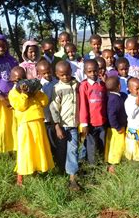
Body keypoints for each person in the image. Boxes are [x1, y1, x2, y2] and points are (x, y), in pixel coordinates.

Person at [9, 75, 54, 186]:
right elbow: (21, 107)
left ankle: (36, 170)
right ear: (14, 81)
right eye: (18, 80)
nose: (24, 84)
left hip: (38, 123)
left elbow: (44, 102)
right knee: (25, 150)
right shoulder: (13, 93)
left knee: (38, 149)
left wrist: (36, 92)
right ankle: (20, 178)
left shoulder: (33, 91)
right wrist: (24, 94)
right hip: (25, 125)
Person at [50, 61, 81, 190]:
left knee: (73, 150)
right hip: (62, 126)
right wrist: (57, 126)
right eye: (62, 75)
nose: (65, 77)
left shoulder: (76, 85)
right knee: (61, 150)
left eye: (67, 74)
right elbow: (54, 108)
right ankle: (61, 171)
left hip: (73, 125)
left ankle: (72, 177)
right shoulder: (57, 89)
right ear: (57, 74)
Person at [79, 59, 107, 165]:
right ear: (85, 72)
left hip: (102, 122)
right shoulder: (84, 86)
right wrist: (84, 124)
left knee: (102, 144)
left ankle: (102, 166)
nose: (93, 74)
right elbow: (83, 105)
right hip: (91, 124)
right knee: (91, 147)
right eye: (89, 72)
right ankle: (92, 168)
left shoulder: (102, 85)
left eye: (95, 71)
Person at [104, 76, 127, 173]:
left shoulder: (111, 96)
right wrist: (117, 127)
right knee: (117, 147)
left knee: (112, 146)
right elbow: (111, 115)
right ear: (119, 86)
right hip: (116, 129)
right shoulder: (115, 99)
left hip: (112, 128)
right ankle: (113, 167)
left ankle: (111, 164)